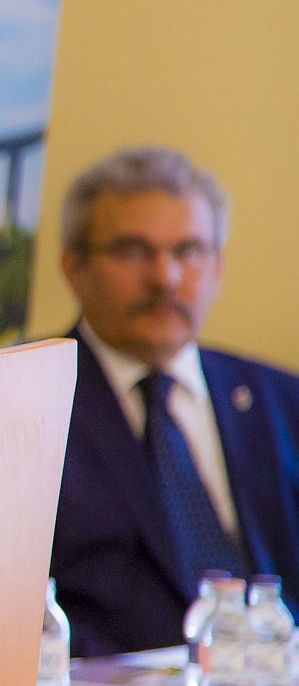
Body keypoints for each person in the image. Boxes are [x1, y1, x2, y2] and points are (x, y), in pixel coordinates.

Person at [52, 146, 299, 657]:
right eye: (132, 251)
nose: (164, 277)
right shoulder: (27, 404)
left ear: (219, 266)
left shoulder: (280, 400)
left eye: (188, 250)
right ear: (74, 266)